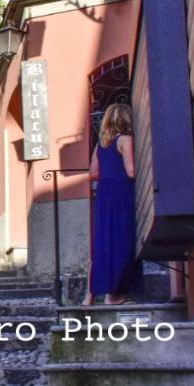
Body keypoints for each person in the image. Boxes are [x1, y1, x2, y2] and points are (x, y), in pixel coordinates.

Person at [83, 104, 141, 306]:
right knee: (123, 242)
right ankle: (114, 295)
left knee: (104, 242)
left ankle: (93, 295)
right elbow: (131, 171)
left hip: (104, 194)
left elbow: (94, 174)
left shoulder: (101, 145)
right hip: (121, 193)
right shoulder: (126, 140)